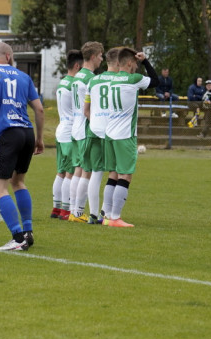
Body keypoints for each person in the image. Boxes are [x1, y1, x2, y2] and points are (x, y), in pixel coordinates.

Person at [0, 41, 44, 251]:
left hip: (8, 133)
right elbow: (39, 110)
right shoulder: (24, 76)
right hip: (27, 132)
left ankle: (18, 237)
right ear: (9, 56)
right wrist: (39, 139)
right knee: (18, 182)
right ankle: (28, 232)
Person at [101, 48, 158, 227]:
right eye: (134, 63)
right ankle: (115, 218)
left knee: (113, 174)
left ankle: (107, 215)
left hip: (109, 133)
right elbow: (156, 81)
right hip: (125, 135)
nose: (136, 66)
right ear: (128, 63)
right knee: (125, 175)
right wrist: (146, 61)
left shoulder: (111, 80)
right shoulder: (134, 79)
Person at [67, 41, 104, 222]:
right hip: (84, 127)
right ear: (92, 57)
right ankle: (78, 212)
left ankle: (75, 211)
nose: (101, 59)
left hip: (75, 126)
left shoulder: (77, 76)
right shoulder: (90, 78)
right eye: (100, 56)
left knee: (78, 170)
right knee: (86, 171)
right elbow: (90, 107)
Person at [86, 46, 120, 224]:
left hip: (94, 129)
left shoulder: (93, 81)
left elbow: (86, 109)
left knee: (96, 173)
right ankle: (106, 213)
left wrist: (95, 121)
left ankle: (92, 214)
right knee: (114, 172)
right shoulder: (122, 80)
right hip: (113, 130)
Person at [51, 49, 82, 221]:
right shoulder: (74, 84)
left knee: (60, 172)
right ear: (77, 66)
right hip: (70, 132)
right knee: (70, 173)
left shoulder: (62, 82)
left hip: (60, 129)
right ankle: (66, 210)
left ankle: (56, 208)